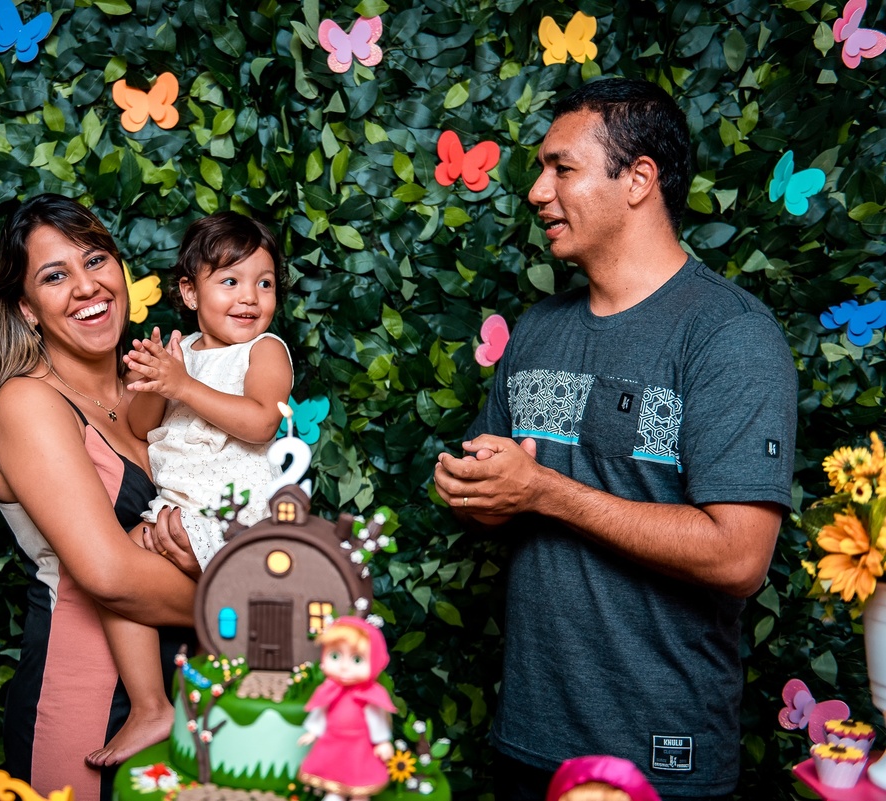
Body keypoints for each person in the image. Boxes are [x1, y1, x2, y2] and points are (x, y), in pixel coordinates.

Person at [433, 78, 796, 800]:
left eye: (561, 168)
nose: (537, 191)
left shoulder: (730, 336)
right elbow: (497, 498)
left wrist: (546, 492)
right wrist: (474, 491)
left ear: (638, 180)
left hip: (659, 752)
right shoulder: (538, 330)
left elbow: (738, 557)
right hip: (531, 735)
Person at [0, 193, 199, 801]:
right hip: (87, 709)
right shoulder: (27, 404)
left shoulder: (152, 388)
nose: (85, 286)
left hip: (193, 694)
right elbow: (110, 575)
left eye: (96, 260)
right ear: (27, 309)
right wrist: (248, 605)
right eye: (55, 276)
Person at [84, 211, 294, 767]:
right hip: (177, 508)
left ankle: (232, 722)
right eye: (230, 281)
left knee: (225, 630)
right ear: (189, 292)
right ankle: (154, 707)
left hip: (235, 513)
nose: (249, 297)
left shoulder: (264, 350)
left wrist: (183, 385)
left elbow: (260, 422)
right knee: (115, 573)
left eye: (264, 283)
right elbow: (140, 428)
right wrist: (153, 383)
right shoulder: (183, 354)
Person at [296, 616, 396, 801]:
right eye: (335, 656)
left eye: (357, 659)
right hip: (333, 741)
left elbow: (376, 720)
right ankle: (335, 794)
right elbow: (322, 711)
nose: (344, 667)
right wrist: (313, 731)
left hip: (359, 745)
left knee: (359, 777)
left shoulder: (369, 695)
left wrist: (382, 741)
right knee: (334, 772)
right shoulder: (330, 690)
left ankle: (359, 797)